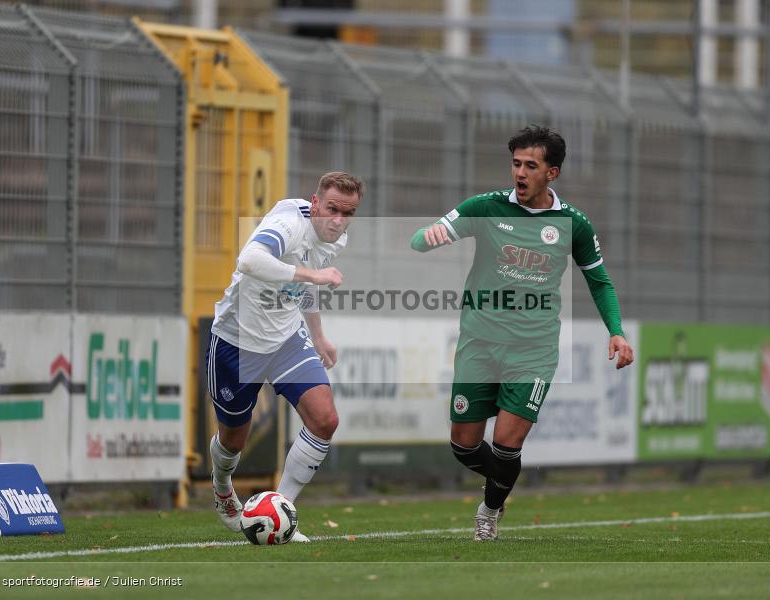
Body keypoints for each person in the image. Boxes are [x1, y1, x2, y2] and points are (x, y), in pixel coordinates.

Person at [410, 125, 634, 541]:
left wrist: (616, 331)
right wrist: (430, 237)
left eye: (531, 165)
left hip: (533, 350)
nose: (520, 172)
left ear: (553, 173)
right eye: (516, 163)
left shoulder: (572, 224)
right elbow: (419, 239)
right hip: (479, 342)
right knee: (463, 444)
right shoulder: (486, 206)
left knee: (507, 442)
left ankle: (489, 511)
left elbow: (599, 281)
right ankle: (504, 481)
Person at [207, 171, 363, 542]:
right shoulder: (288, 224)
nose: (338, 220)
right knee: (234, 441)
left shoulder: (336, 236)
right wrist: (312, 273)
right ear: (314, 203)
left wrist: (319, 334)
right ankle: (221, 484)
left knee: (324, 420)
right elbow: (249, 260)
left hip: (286, 340)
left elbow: (303, 286)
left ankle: (280, 512)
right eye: (331, 209)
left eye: (348, 213)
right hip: (237, 341)